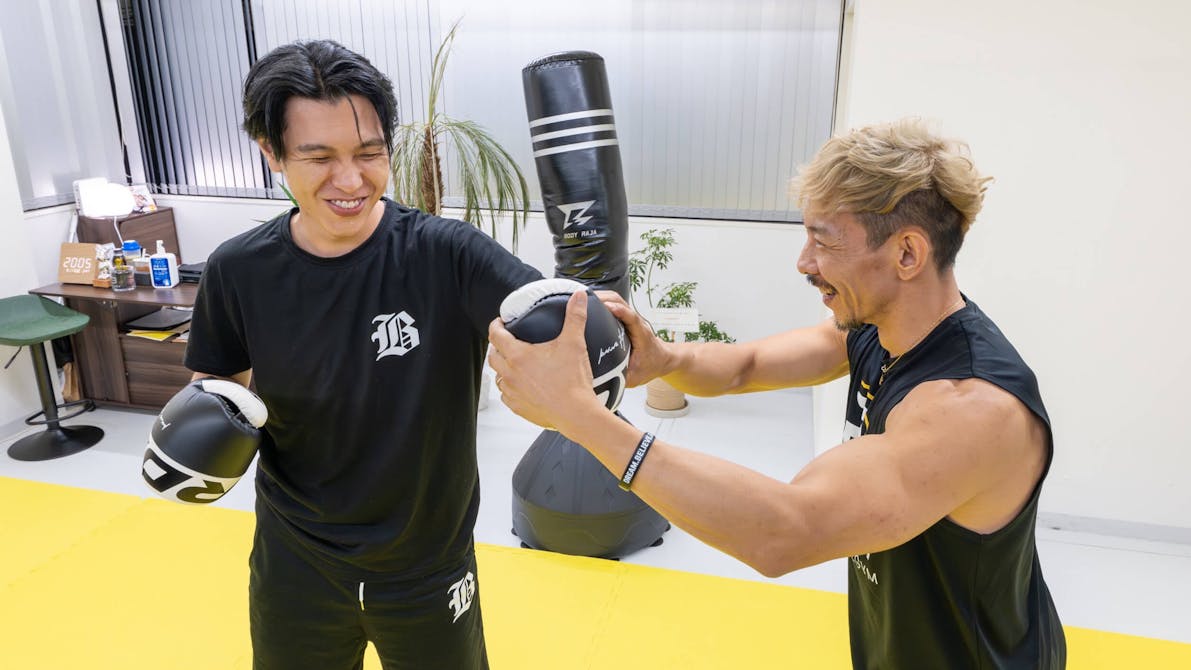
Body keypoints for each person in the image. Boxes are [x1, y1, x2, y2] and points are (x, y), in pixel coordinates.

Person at [488, 119, 1066, 668]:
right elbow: (747, 366)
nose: (803, 262)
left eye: (823, 241)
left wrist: (581, 418)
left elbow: (785, 532)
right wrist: (663, 359)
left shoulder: (972, 410)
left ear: (907, 254)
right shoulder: (875, 330)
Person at [183, 40, 540, 669]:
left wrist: (597, 331)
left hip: (428, 567)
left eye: (369, 154)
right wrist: (196, 439)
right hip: (295, 563)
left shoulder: (447, 254)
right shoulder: (238, 270)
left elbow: (547, 315)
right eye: (318, 157)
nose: (350, 181)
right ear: (271, 154)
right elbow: (218, 384)